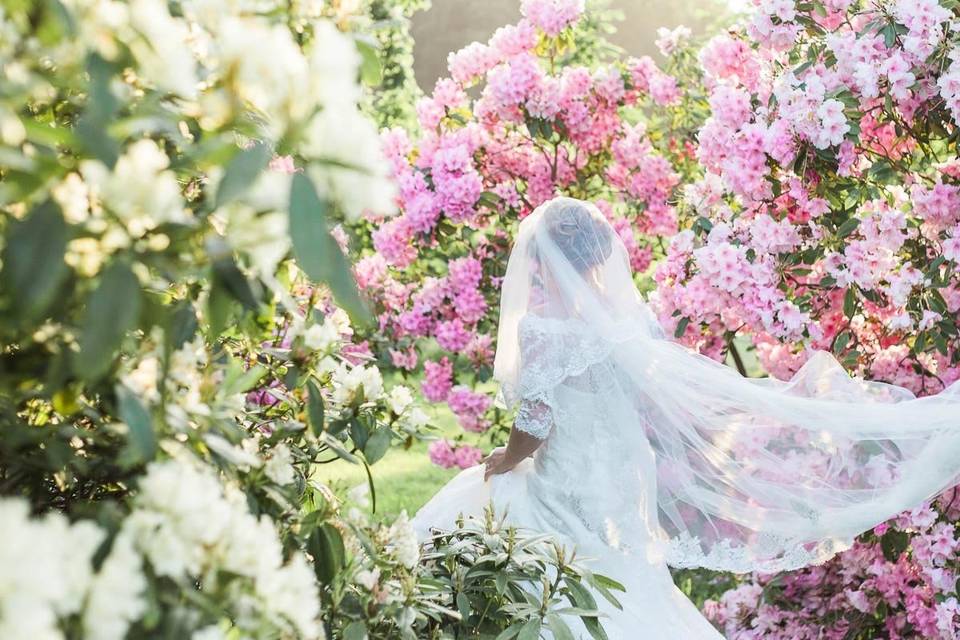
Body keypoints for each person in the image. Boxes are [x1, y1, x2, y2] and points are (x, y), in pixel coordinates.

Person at [413, 196, 960, 638]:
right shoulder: (626, 323)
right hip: (626, 473)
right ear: (601, 256)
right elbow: (648, 401)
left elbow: (536, 421)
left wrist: (505, 459)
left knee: (548, 561)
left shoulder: (541, 328)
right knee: (626, 576)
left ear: (539, 261)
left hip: (568, 475)